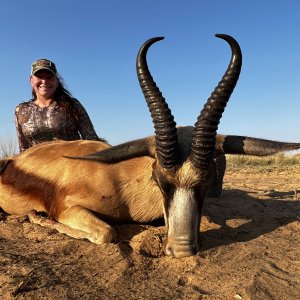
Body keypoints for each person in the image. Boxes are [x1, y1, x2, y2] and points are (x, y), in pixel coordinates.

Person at [15, 59, 106, 152]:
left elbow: (91, 140)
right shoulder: (21, 110)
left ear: (57, 81)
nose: (44, 81)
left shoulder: (73, 105)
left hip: (70, 164)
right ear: (31, 80)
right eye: (39, 76)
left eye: (49, 77)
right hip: (35, 165)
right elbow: (23, 150)